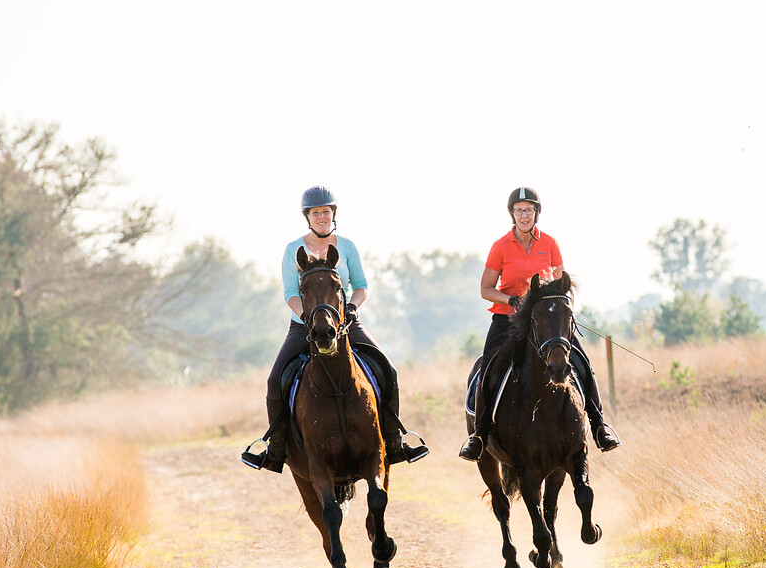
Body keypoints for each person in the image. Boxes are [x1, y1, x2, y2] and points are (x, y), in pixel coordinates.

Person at [242, 185, 429, 472]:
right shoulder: (293, 249)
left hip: (345, 323)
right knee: (274, 381)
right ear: (307, 217)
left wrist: (351, 309)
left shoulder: (348, 246)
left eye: (326, 212)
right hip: (304, 325)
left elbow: (361, 286)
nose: (321, 217)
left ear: (333, 214)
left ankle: (394, 441)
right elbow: (290, 293)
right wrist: (309, 318)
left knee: (388, 370)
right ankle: (276, 449)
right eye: (316, 213)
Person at [458, 186, 622, 462]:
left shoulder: (550, 243)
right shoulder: (500, 247)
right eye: (519, 210)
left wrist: (556, 311)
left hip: (545, 322)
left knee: (582, 362)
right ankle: (480, 435)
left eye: (529, 210)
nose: (524, 215)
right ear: (512, 214)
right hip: (507, 319)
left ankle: (599, 426)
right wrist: (512, 300)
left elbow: (560, 284)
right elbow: (486, 289)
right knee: (488, 368)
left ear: (537, 213)